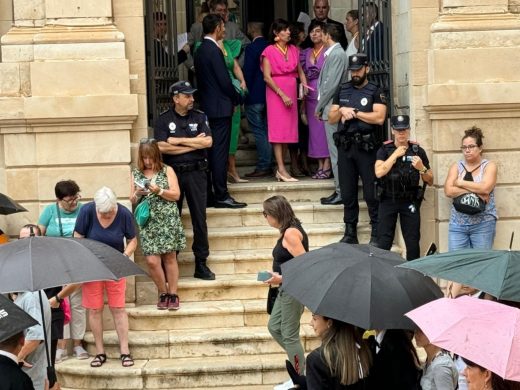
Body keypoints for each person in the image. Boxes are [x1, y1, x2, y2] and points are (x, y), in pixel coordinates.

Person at [155, 80, 216, 280]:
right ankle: (172, 261)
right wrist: (194, 145)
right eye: (187, 95)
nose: (191, 99)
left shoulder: (199, 117)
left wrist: (179, 141)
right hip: (173, 174)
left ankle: (201, 262)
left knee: (199, 218)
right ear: (175, 98)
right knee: (173, 218)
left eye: (191, 95)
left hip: (197, 173)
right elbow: (161, 147)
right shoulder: (164, 119)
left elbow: (207, 141)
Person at [74, 187, 137, 368]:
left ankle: (125, 351)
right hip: (92, 268)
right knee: (94, 310)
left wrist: (124, 257)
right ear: (96, 207)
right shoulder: (87, 211)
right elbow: (78, 237)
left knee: (118, 308)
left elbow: (133, 240)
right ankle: (100, 352)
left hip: (116, 267)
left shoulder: (123, 213)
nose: (107, 216)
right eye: (103, 213)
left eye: (110, 212)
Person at [328, 53, 387, 244]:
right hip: (346, 147)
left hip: (367, 148)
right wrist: (341, 111)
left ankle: (376, 232)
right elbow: (331, 118)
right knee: (348, 191)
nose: (355, 74)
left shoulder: (375, 90)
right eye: (352, 71)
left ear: (367, 69)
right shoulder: (343, 89)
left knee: (371, 192)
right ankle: (350, 231)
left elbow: (379, 118)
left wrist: (356, 113)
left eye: (358, 70)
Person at [193, 13, 246, 209]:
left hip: (210, 106)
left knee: (213, 152)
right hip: (220, 108)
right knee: (219, 153)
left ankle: (210, 195)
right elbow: (224, 81)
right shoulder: (213, 50)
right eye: (223, 27)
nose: (224, 30)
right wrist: (238, 96)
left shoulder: (200, 50)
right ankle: (222, 195)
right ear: (216, 28)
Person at [131, 139, 186, 310]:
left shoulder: (167, 170)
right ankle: (163, 292)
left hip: (167, 219)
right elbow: (131, 199)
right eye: (144, 158)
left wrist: (159, 191)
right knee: (152, 260)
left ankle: (173, 294)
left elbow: (176, 195)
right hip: (148, 222)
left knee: (170, 256)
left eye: (150, 157)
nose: (147, 161)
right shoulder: (136, 173)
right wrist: (138, 193)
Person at [37, 180, 88, 363]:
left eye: (76, 198)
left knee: (78, 305)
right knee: (61, 304)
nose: (73, 203)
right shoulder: (50, 211)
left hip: (77, 262)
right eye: (69, 200)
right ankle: (60, 346)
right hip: (55, 264)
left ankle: (78, 344)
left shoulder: (83, 210)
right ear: (59, 199)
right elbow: (39, 235)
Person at [444, 126, 497, 297]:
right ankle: (449, 303)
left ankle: (483, 307)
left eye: (471, 146)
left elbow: (486, 187)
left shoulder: (489, 166)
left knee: (482, 266)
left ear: (480, 147)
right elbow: (448, 191)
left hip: (483, 223)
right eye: (464, 147)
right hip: (457, 224)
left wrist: (460, 183)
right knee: (455, 266)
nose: (467, 150)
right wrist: (475, 191)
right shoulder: (456, 166)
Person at [374, 115, 433, 260]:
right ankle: (383, 274)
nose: (401, 133)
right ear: (392, 131)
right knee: (383, 242)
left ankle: (413, 275)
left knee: (412, 242)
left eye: (404, 129)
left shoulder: (418, 151)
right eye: (398, 129)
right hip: (388, 199)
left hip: (409, 201)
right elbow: (379, 172)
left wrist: (422, 168)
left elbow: (430, 180)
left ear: (409, 130)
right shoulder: (384, 149)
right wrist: (395, 154)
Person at [262, 195, 308, 374]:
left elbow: (306, 265)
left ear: (275, 213)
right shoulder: (287, 230)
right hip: (285, 287)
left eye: (265, 213)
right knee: (274, 327)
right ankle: (300, 366)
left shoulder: (290, 233)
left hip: (293, 289)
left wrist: (280, 279)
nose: (265, 217)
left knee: (289, 336)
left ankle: (301, 376)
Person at [261, 18, 308, 182]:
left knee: (288, 132)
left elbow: (300, 71)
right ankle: (281, 168)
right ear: (276, 33)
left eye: (289, 30)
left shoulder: (294, 49)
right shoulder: (268, 51)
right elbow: (267, 77)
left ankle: (283, 168)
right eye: (284, 30)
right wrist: (282, 94)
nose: (288, 32)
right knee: (278, 132)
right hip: (276, 92)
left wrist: (304, 85)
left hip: (291, 89)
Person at [16, 225, 55, 390]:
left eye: (27, 241)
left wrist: (15, 358)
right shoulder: (22, 294)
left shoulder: (32, 295)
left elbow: (35, 336)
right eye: (20, 241)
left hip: (31, 379)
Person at [315, 23, 349, 205]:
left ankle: (341, 191)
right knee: (335, 152)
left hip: (332, 108)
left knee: (335, 153)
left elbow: (331, 85)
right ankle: (339, 189)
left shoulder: (336, 54)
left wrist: (319, 106)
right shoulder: (335, 53)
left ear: (327, 35)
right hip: (330, 107)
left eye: (322, 33)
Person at [307, 314, 372, 389]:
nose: (310, 323)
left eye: (315, 319)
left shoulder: (316, 359)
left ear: (329, 323)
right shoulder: (365, 350)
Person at [300, 20, 330, 179]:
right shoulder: (305, 52)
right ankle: (319, 164)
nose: (315, 34)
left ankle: (327, 165)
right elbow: (301, 72)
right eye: (312, 31)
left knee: (325, 130)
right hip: (310, 94)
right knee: (314, 132)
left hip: (325, 92)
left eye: (318, 31)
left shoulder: (329, 51)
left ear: (324, 33)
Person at [243, 21, 272, 179]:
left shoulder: (251, 48)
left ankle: (264, 165)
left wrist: (243, 91)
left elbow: (248, 72)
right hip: (270, 95)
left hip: (254, 95)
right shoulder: (270, 46)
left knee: (259, 131)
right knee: (267, 130)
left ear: (252, 30)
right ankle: (269, 162)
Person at [344, 10, 359, 75]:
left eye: (348, 20)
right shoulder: (354, 37)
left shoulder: (358, 37)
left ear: (356, 21)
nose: (345, 23)